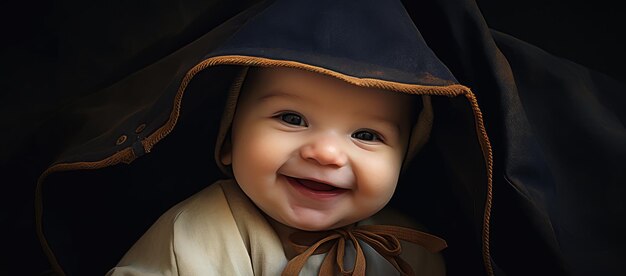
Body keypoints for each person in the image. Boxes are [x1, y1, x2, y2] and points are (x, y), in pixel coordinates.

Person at [29, 0, 625, 275]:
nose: (325, 151)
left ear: (403, 164)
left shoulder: (414, 245)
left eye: (367, 134)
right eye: (291, 118)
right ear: (229, 142)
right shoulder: (205, 229)